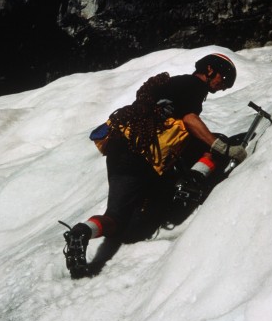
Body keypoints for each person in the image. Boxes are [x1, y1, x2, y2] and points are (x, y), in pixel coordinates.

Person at [63, 53, 247, 278]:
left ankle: (82, 232)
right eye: (224, 78)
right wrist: (222, 147)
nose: (223, 86)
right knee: (213, 142)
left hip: (120, 152)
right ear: (210, 70)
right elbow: (189, 120)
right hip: (146, 154)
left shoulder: (169, 86)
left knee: (116, 220)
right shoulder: (193, 84)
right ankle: (194, 177)